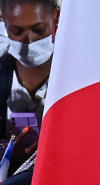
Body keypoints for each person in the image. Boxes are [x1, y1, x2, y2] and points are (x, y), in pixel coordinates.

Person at [0, 0, 57, 173]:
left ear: (56, 17)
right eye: (17, 31)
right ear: (4, 22)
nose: (29, 41)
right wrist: (6, 151)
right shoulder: (3, 74)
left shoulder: (75, 75)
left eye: (39, 30)